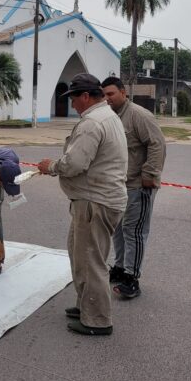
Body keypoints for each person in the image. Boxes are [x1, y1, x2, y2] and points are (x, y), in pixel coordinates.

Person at [37, 73, 127, 336]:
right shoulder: (109, 116)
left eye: (74, 98)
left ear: (86, 96)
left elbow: (75, 164)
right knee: (80, 255)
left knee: (90, 261)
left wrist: (50, 167)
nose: (72, 104)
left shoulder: (92, 122)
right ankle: (86, 305)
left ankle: (97, 320)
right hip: (97, 200)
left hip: (94, 202)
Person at [101, 76, 166, 299]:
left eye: (111, 94)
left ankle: (132, 278)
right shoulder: (110, 117)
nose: (107, 99)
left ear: (123, 92)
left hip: (139, 184)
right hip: (119, 184)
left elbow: (157, 144)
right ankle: (119, 268)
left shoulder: (138, 115)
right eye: (104, 95)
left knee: (134, 230)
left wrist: (150, 175)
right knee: (118, 229)